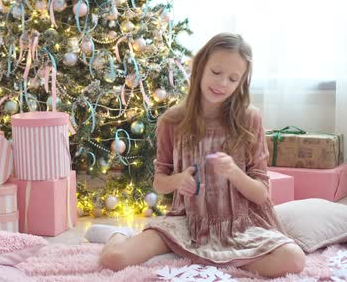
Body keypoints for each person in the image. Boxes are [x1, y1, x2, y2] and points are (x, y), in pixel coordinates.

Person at [84, 33, 305, 278]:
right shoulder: (173, 120)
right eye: (216, 72)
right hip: (186, 222)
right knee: (115, 259)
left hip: (240, 225)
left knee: (293, 260)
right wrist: (177, 180)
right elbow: (160, 183)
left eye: (233, 78)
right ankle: (119, 235)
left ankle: (194, 255)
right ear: (201, 68)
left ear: (241, 83)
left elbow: (262, 193)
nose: (222, 83)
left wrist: (233, 172)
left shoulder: (249, 119)